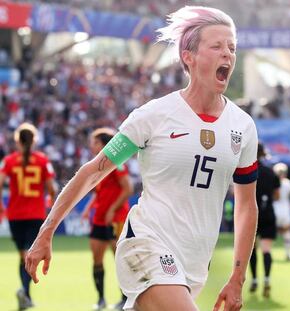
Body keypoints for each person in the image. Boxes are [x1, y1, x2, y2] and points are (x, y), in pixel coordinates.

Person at [25, 6, 259, 311]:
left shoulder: (243, 126)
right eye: (216, 46)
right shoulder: (154, 116)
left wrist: (237, 278)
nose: (227, 54)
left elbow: (246, 205)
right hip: (145, 245)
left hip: (193, 263)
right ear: (188, 57)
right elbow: (94, 172)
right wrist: (46, 233)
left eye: (231, 47)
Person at [0, 123, 56, 310]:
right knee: (28, 256)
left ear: (17, 140)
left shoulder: (9, 161)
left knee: (23, 256)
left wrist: (1, 204)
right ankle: (24, 290)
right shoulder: (41, 160)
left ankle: (26, 295)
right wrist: (50, 200)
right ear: (34, 140)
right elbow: (52, 188)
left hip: (14, 214)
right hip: (35, 214)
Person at [81, 128, 132, 310]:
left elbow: (128, 189)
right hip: (99, 218)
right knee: (96, 258)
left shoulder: (118, 163)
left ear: (104, 144)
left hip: (115, 218)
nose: (91, 145)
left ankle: (125, 299)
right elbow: (98, 192)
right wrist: (87, 209)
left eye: (95, 142)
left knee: (120, 259)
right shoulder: (99, 164)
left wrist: (112, 209)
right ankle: (101, 299)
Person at [249, 143, 280, 298]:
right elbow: (277, 195)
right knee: (266, 249)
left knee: (251, 249)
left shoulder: (247, 170)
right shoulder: (270, 172)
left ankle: (254, 279)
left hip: (250, 215)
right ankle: (267, 280)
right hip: (268, 214)